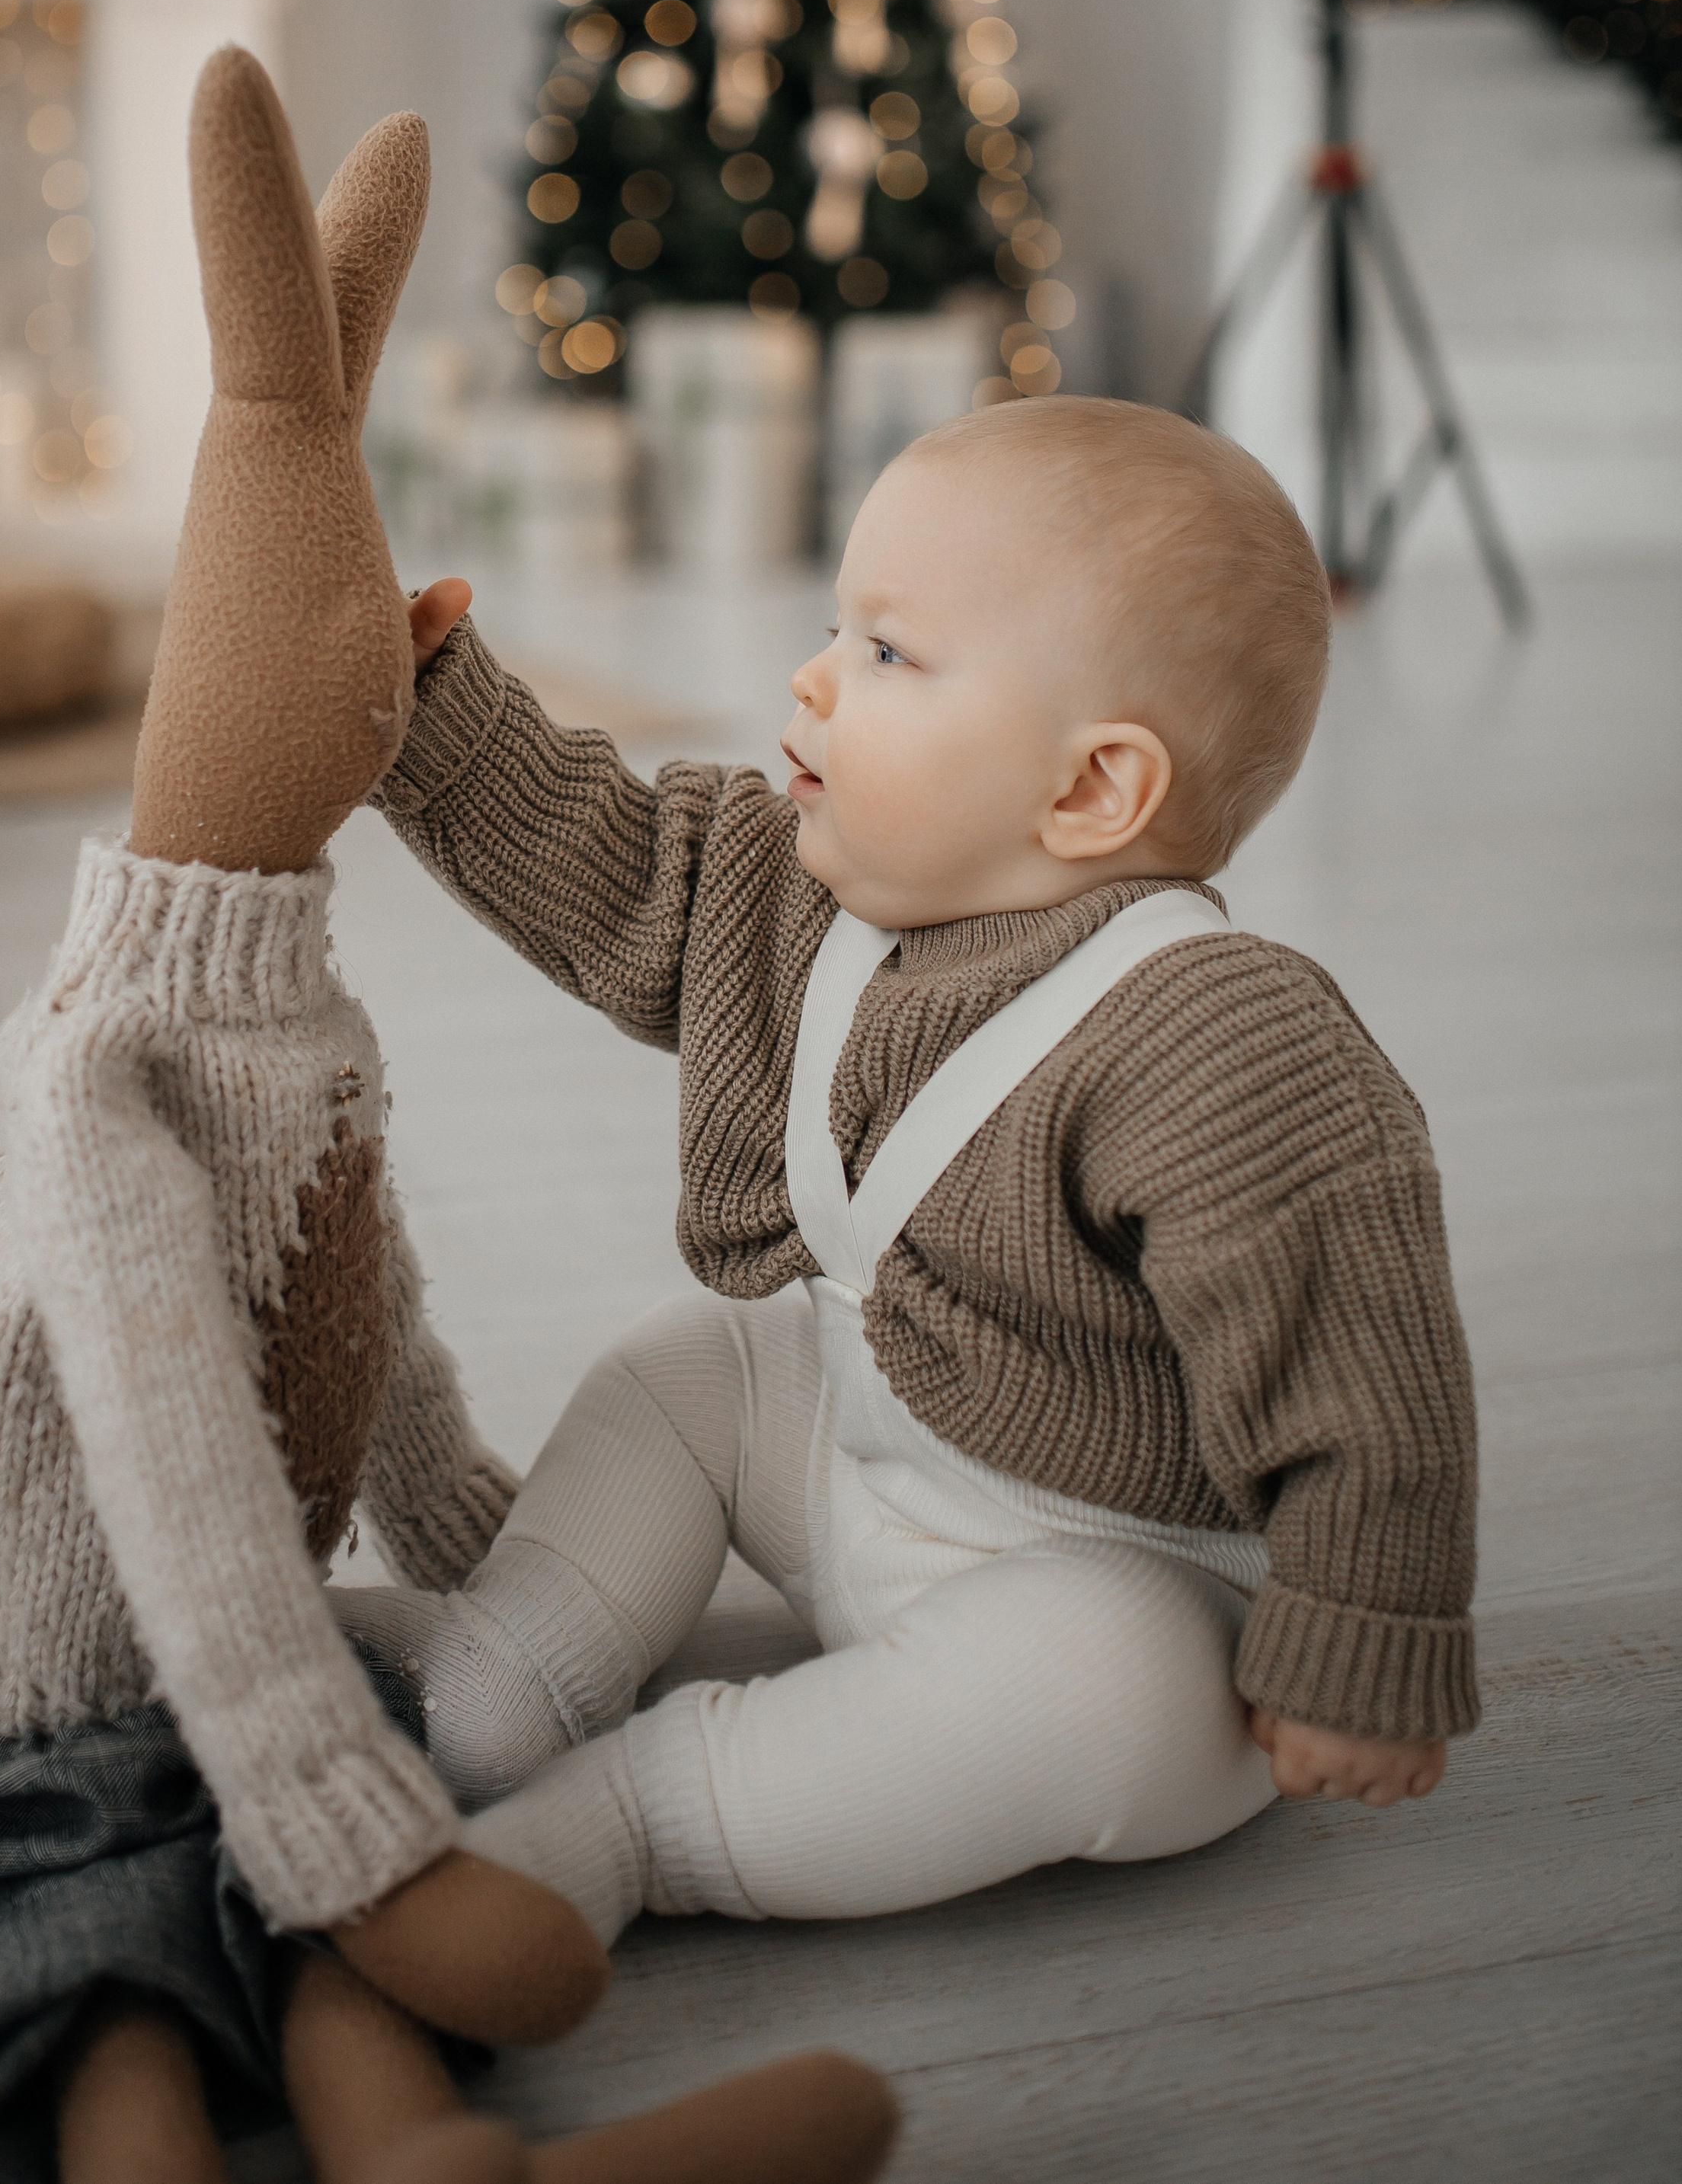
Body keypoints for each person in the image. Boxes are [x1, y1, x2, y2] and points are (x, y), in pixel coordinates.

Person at [0, 53, 896, 2184]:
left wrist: (491, 1544)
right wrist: (320, 1790)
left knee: (380, 1888)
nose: (396, 693)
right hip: (96, 1678)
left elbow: (364, 1299)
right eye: (358, 656)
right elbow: (174, 1472)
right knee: (115, 1929)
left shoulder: (292, 1014)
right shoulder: (99, 1073)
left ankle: (431, 2150)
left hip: (275, 1643)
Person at [337, 390, 1479, 1945]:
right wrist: (428, 707)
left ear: (1086, 790)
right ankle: (499, 1677)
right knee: (694, 1368)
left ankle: (627, 1826)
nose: (808, 675)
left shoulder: (1223, 1042)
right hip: (855, 1465)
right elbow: (605, 863)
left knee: (1110, 1704)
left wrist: (1359, 1638)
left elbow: (1361, 1372)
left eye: (884, 653)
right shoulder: (798, 900)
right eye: (835, 629)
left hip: (1108, 1560)